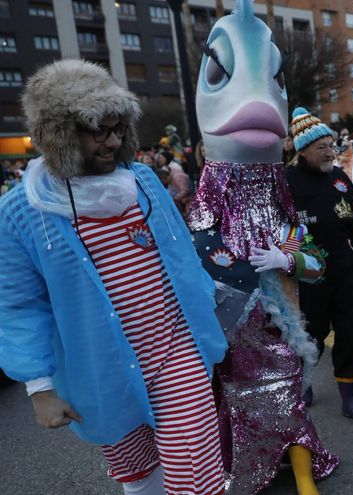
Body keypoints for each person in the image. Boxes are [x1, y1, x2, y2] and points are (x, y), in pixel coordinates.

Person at [0, 59, 227, 494]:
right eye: (98, 131)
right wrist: (39, 389)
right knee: (140, 476)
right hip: (101, 371)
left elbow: (182, 258)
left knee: (196, 474)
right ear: (59, 134)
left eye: (119, 128)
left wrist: (214, 314)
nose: (113, 142)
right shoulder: (22, 211)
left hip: (176, 350)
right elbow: (20, 306)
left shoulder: (141, 181)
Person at [190, 8, 340, 489]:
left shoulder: (280, 197)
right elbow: (196, 255)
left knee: (288, 394)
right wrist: (231, 280)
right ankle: (247, 466)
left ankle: (302, 475)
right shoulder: (210, 196)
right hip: (231, 329)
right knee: (234, 400)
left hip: (280, 324)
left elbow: (316, 263)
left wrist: (285, 259)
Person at [286, 108, 353, 426]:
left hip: (344, 268)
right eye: (322, 146)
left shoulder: (339, 178)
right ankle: (303, 382)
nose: (329, 151)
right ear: (303, 150)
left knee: (351, 333)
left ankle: (350, 399)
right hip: (310, 274)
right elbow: (281, 230)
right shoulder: (288, 180)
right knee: (312, 333)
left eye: (331, 144)